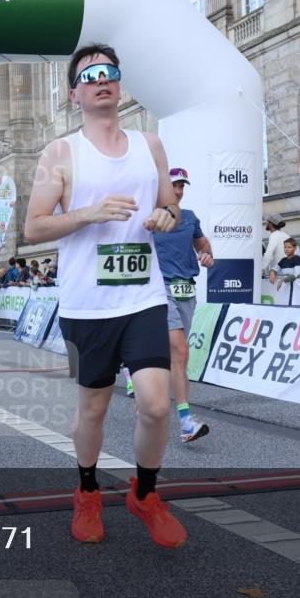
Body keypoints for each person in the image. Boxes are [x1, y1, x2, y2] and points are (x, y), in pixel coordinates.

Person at [23, 43, 186, 548]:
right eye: (90, 75)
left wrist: (166, 217)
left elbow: (169, 208)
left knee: (157, 406)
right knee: (93, 410)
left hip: (143, 297)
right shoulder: (60, 153)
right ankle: (88, 490)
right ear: (75, 94)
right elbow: (32, 228)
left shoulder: (150, 144)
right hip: (86, 304)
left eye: (109, 72)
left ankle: (145, 493)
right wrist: (88, 213)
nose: (101, 80)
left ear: (119, 83)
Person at [122, 167, 212, 443]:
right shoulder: (149, 217)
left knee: (177, 356)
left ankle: (134, 370)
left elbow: (203, 244)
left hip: (187, 289)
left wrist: (207, 255)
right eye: (174, 185)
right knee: (179, 349)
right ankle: (186, 421)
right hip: (159, 288)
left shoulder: (190, 218)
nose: (179, 191)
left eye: (182, 186)